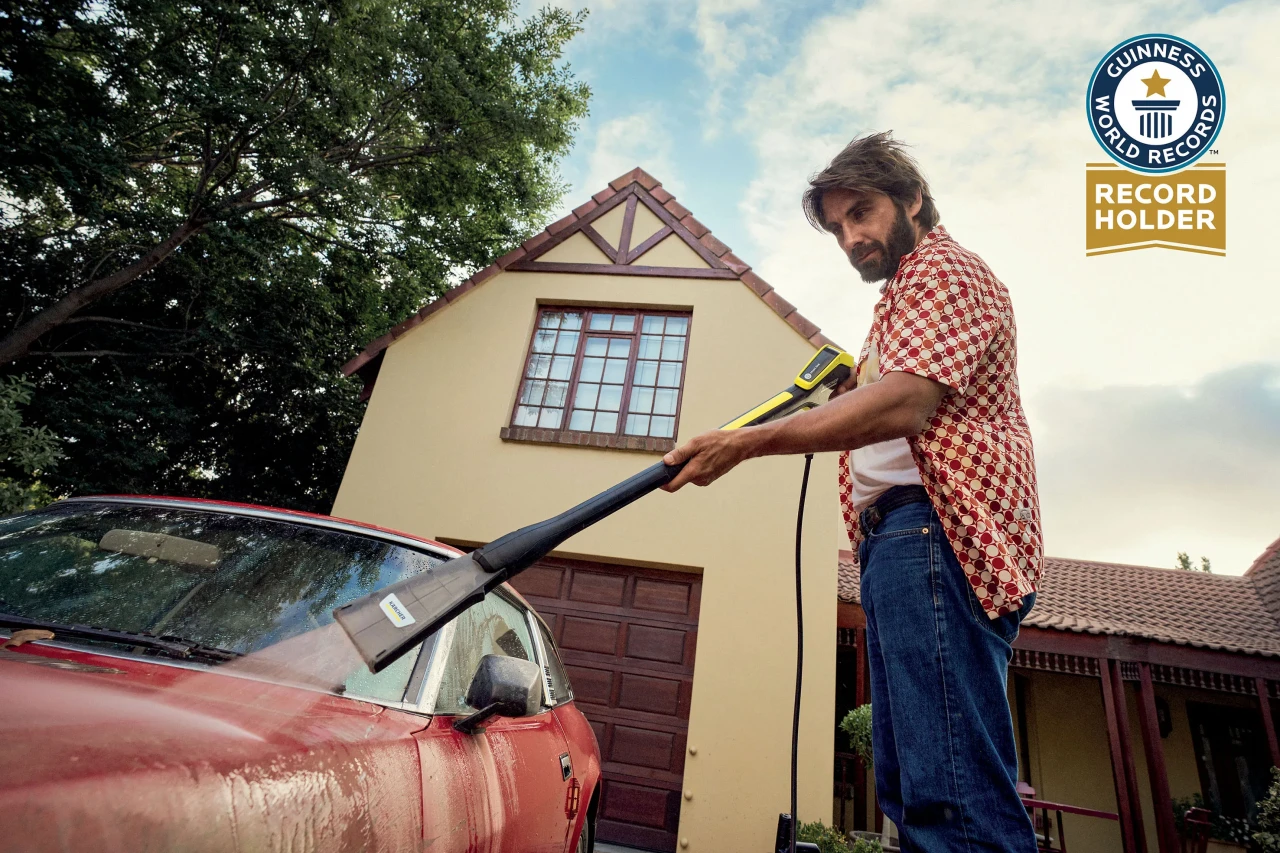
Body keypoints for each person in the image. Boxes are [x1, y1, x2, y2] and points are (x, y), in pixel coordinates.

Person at [662, 131, 1042, 853]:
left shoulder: (946, 271)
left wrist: (745, 443)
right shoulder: (897, 303)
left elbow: (904, 403)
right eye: (838, 227)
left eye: (861, 213)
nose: (850, 238)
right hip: (899, 542)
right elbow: (884, 394)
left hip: (937, 535)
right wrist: (852, 387)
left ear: (912, 198)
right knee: (914, 787)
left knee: (950, 795)